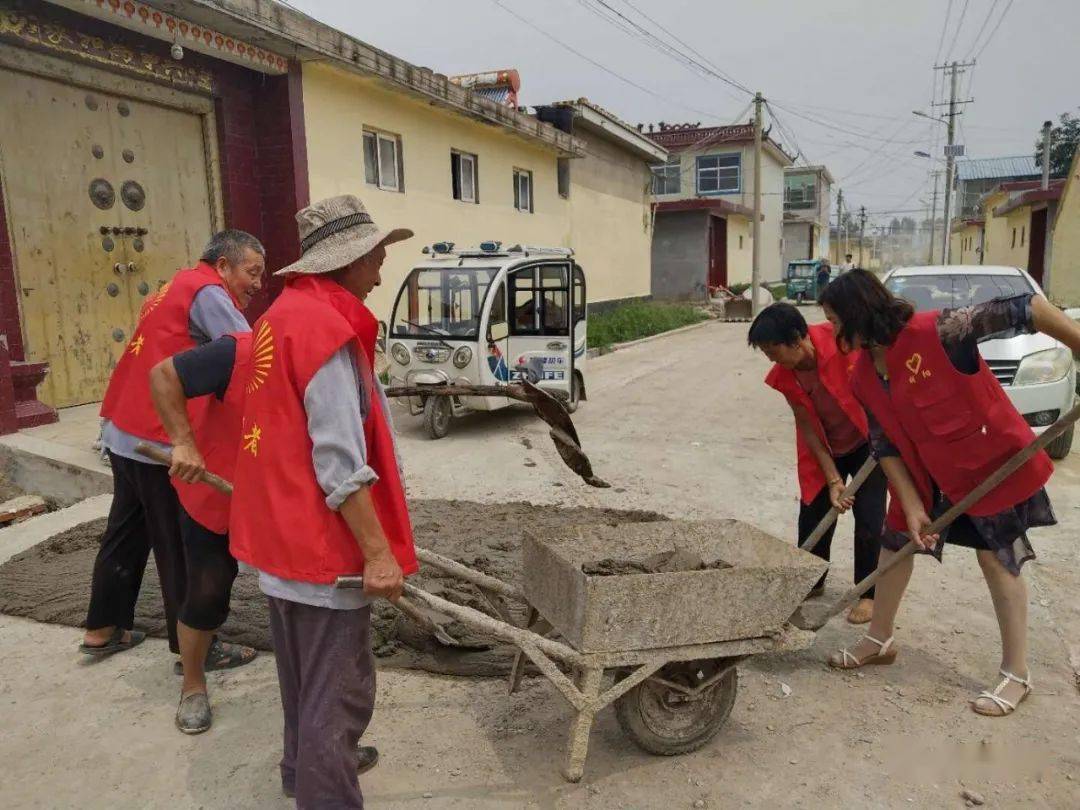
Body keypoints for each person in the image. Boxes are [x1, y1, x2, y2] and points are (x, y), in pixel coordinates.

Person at [222, 195, 415, 805]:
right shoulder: (325, 334)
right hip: (319, 551)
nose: (383, 267)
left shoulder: (279, 318)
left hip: (282, 544)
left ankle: (299, 770)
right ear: (350, 260)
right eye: (378, 254)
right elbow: (340, 466)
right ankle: (325, 790)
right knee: (340, 692)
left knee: (304, 682)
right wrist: (379, 556)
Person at [818, 269, 1080, 717]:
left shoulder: (939, 330)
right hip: (923, 476)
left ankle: (1017, 673)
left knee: (997, 557)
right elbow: (885, 444)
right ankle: (879, 640)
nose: (832, 330)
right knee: (893, 546)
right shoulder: (863, 374)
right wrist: (914, 505)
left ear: (858, 312)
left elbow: (1028, 308)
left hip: (986, 464)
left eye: (835, 319)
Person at [81, 231, 262, 681]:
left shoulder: (175, 284)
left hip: (123, 425)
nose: (257, 284)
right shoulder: (209, 292)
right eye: (252, 272)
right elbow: (246, 355)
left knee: (126, 527)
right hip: (157, 437)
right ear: (222, 265)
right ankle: (196, 647)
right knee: (181, 542)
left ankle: (104, 627)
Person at [748, 303, 885, 624]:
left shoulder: (841, 343)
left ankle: (869, 593)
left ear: (796, 339)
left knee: (869, 519)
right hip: (824, 446)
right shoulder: (784, 376)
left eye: (774, 350)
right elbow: (806, 426)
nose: (771, 358)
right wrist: (834, 479)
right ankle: (812, 578)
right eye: (766, 352)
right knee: (813, 514)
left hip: (869, 442)